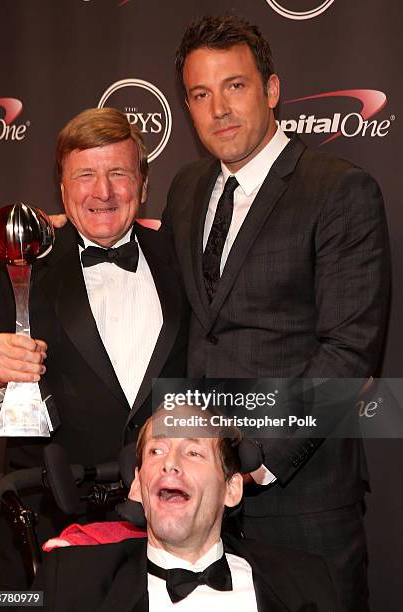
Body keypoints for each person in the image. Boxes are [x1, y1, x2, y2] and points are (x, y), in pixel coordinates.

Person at [161, 14, 391, 611]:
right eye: (200, 94)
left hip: (300, 494)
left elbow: (349, 352)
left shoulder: (337, 190)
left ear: (271, 89)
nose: (219, 110)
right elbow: (187, 325)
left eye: (235, 86)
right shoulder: (187, 188)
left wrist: (257, 459)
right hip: (204, 505)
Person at [0, 108, 188, 589]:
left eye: (119, 173)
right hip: (45, 530)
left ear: (143, 184)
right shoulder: (18, 262)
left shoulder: (181, 260)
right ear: (63, 187)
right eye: (86, 175)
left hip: (164, 531)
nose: (103, 192)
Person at [33, 410, 341, 611]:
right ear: (138, 485)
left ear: (231, 489)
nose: (170, 462)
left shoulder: (306, 580)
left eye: (193, 452)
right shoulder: (69, 579)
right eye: (157, 450)